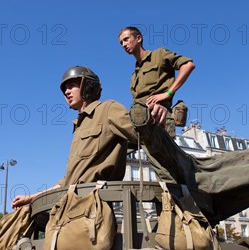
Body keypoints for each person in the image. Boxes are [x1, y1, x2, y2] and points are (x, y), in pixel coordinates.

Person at [11, 66, 160, 209]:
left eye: (71, 86)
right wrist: (30, 198)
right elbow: (66, 182)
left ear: (88, 86)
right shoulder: (80, 126)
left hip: (93, 207)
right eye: (64, 89)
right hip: (70, 206)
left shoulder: (107, 109)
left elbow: (144, 135)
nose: (66, 92)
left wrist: (156, 114)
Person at [119, 26, 195, 181]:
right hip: (139, 122)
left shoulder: (159, 55)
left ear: (138, 38)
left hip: (158, 118)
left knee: (166, 170)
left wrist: (168, 93)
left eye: (126, 39)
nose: (124, 45)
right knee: (115, 149)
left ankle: (181, 202)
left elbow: (188, 65)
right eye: (121, 43)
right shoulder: (135, 74)